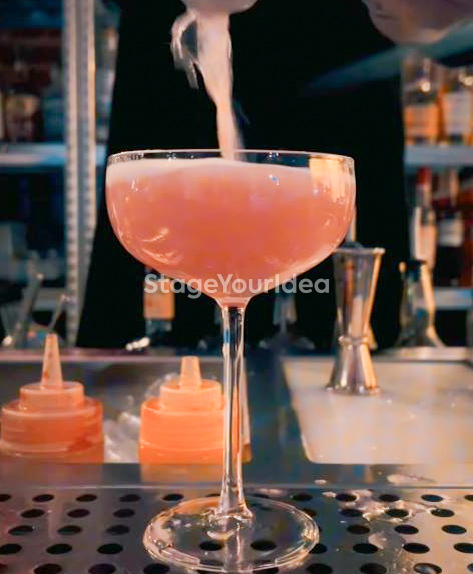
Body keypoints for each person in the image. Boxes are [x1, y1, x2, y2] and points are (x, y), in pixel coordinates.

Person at [77, 0, 473, 350]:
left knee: (347, 327)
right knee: (180, 338)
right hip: (180, 57)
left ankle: (351, 343)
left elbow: (453, 30)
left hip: (338, 64)